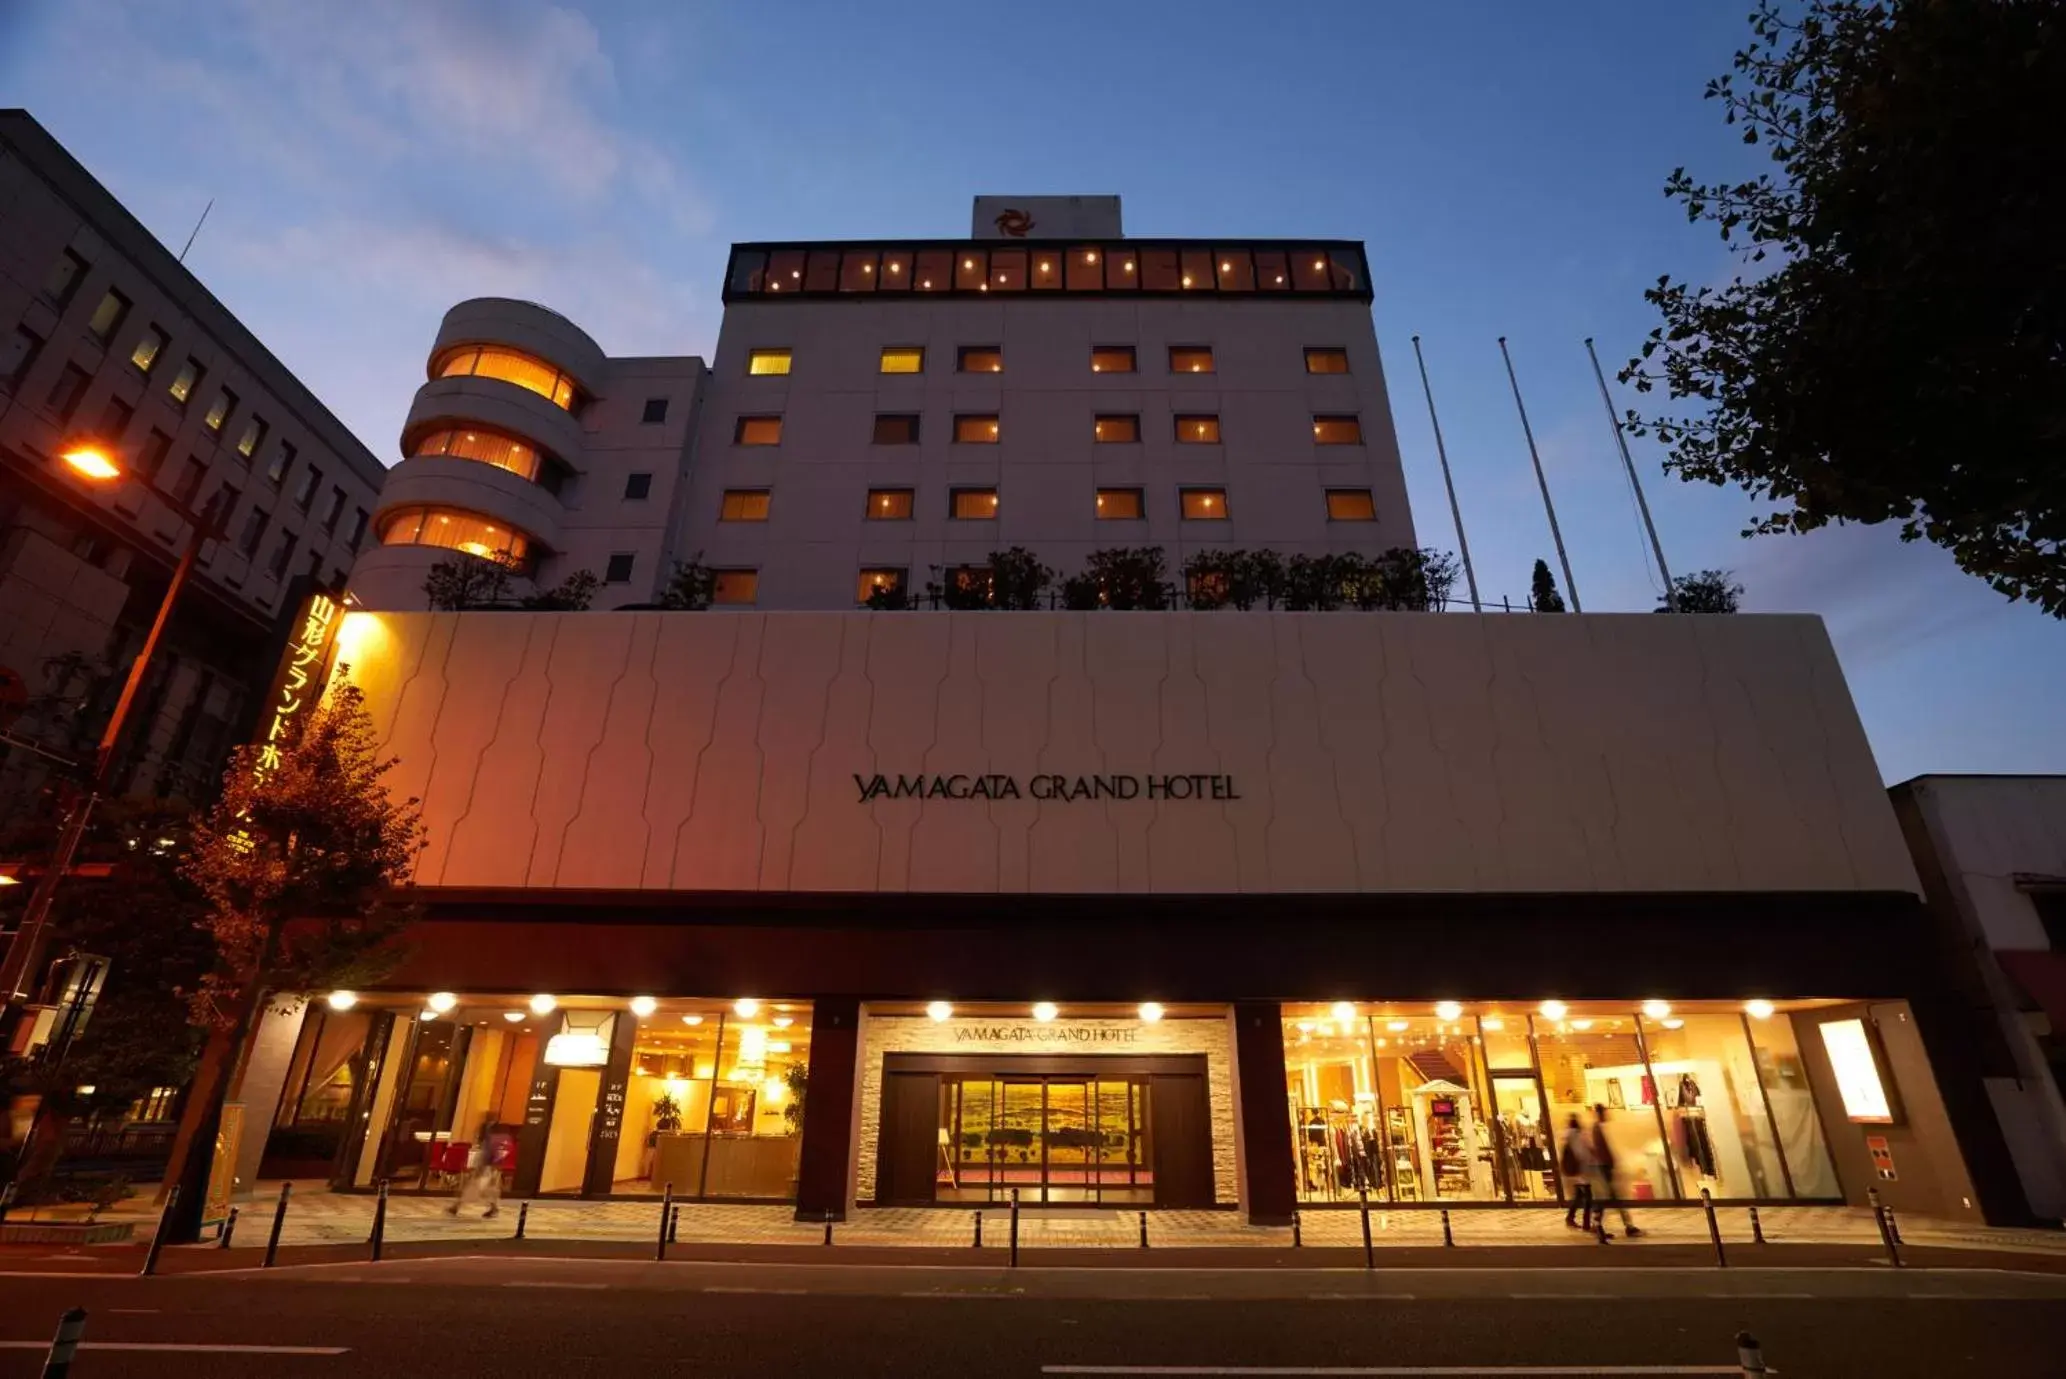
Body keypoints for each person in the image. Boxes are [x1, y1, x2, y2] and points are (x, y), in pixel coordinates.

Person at [1588, 1104, 1643, 1238]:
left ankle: (1598, 1225)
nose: (1607, 1115)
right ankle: (1627, 1226)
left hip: (1604, 1167)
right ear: (1601, 1113)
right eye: (1605, 1113)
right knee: (1613, 1198)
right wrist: (1611, 1163)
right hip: (1604, 1168)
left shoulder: (1597, 1128)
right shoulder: (1597, 1129)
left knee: (1608, 1199)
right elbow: (1601, 1150)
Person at [446, 1120, 504, 1219]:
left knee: (472, 1189)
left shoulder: (488, 1141)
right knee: (488, 1190)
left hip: (485, 1169)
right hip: (489, 1169)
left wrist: (480, 1169)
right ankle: (493, 1208)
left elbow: (486, 1156)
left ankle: (456, 1207)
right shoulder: (494, 1141)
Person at [1559, 1113, 1594, 1231]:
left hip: (1575, 1171)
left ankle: (1570, 1218)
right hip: (1582, 1170)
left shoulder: (1567, 1134)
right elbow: (1582, 1153)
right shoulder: (1578, 1134)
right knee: (1588, 1198)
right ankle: (1586, 1223)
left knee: (1579, 1196)